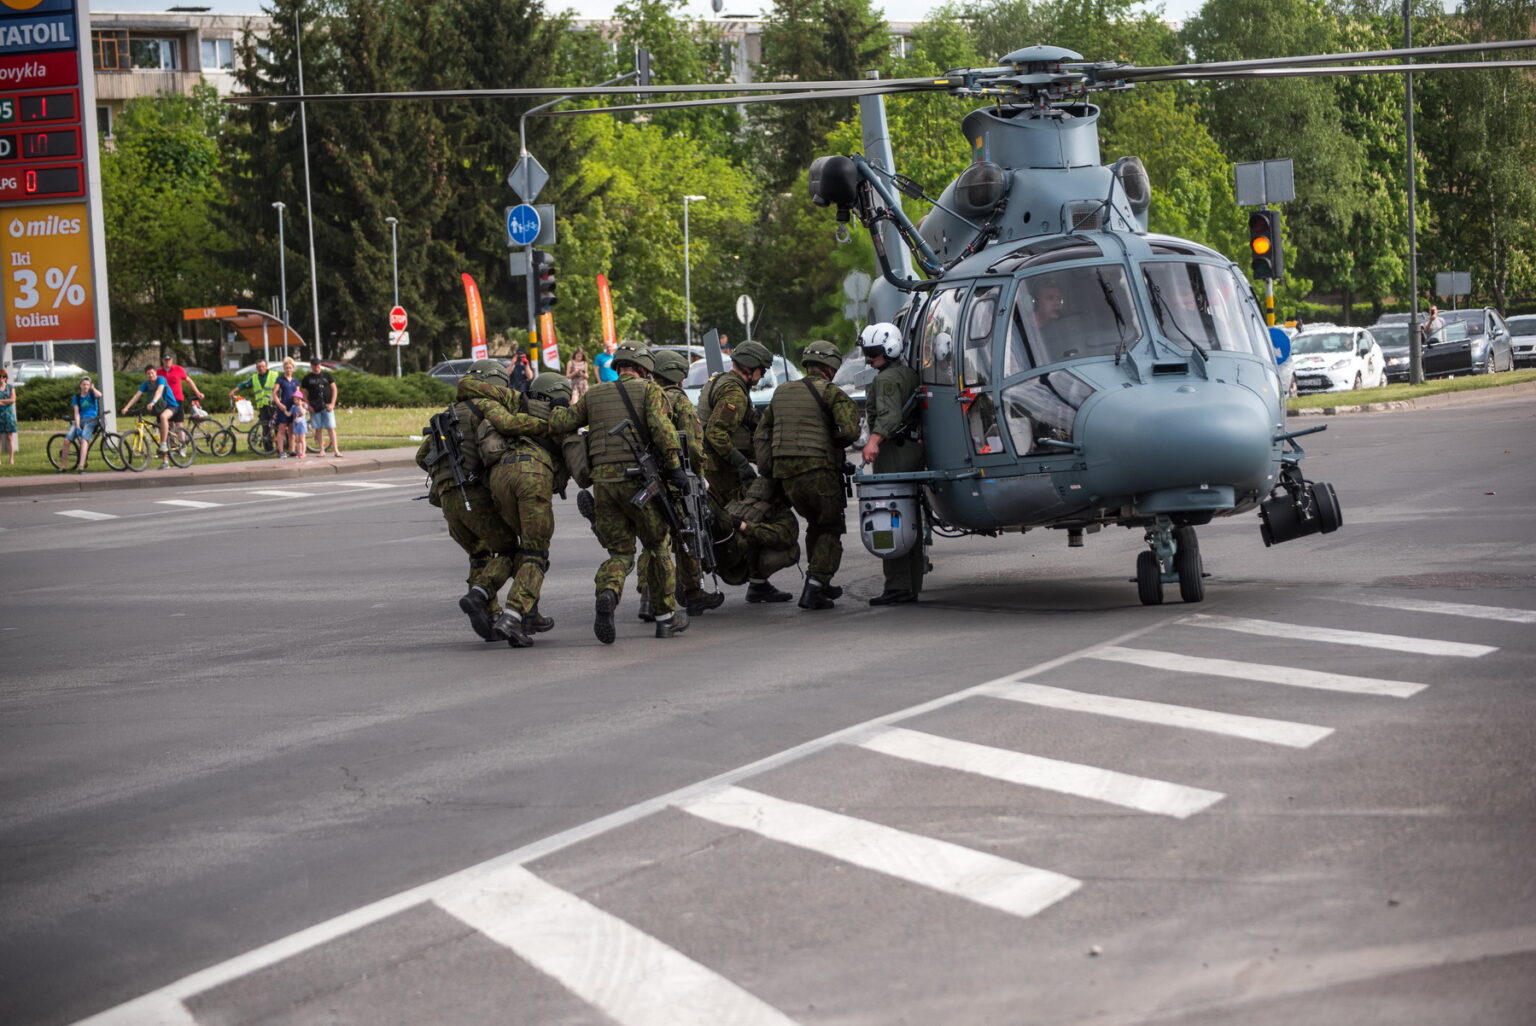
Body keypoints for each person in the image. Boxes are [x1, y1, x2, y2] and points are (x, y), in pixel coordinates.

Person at [547, 341, 690, 642]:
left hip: (604, 484)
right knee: (657, 547)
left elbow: (561, 423)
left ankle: (609, 594)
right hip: (643, 483)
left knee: (620, 552)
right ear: (645, 368)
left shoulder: (594, 394)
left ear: (618, 366)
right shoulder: (651, 391)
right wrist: (676, 469)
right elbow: (661, 429)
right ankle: (666, 617)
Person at [414, 360, 540, 642]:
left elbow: (422, 457)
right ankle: (480, 593)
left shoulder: (447, 414)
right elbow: (508, 426)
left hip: (449, 500)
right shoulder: (484, 408)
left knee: (480, 554)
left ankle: (489, 614)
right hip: (475, 495)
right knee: (509, 550)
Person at [471, 371, 577, 648]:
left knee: (516, 551)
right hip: (532, 476)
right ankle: (513, 615)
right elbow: (574, 462)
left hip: (499, 476)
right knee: (535, 552)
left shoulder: (514, 404)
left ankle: (482, 592)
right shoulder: (559, 418)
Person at [754, 340, 862, 609]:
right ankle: (815, 587)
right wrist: (831, 442)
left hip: (786, 476)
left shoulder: (781, 392)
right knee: (830, 525)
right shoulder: (831, 392)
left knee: (815, 524)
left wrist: (768, 467)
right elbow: (850, 431)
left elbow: (762, 432)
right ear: (831, 367)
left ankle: (820, 580)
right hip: (819, 471)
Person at [641, 348, 723, 619]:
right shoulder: (679, 400)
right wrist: (700, 475)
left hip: (649, 477)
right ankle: (693, 592)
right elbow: (693, 443)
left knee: (656, 540)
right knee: (689, 530)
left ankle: (648, 594)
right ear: (678, 376)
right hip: (679, 478)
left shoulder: (646, 396)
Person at [860, 322, 925, 605]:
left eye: (874, 352)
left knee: (890, 515)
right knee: (909, 517)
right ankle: (911, 583)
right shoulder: (908, 374)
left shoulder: (885, 380)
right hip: (911, 450)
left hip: (893, 455)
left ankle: (898, 586)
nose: (869, 358)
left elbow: (888, 418)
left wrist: (873, 442)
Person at [697, 339, 773, 507]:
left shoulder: (720, 380)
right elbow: (716, 433)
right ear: (749, 368)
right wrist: (742, 464)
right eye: (762, 370)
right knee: (741, 514)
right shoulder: (734, 393)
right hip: (719, 468)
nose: (762, 376)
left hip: (709, 463)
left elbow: (748, 418)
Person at [120, 364, 180, 469]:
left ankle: (164, 444)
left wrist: (152, 402)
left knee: (163, 417)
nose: (150, 375)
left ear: (155, 373)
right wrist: (126, 407)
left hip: (171, 406)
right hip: (159, 408)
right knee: (161, 433)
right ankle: (165, 462)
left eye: (152, 373)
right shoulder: (146, 384)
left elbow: (159, 391)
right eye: (148, 373)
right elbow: (137, 395)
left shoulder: (161, 379)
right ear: (146, 375)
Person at [230, 359, 281, 450]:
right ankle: (268, 449)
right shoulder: (254, 378)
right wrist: (234, 390)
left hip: (274, 405)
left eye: (262, 366)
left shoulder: (274, 375)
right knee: (265, 428)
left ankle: (280, 448)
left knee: (277, 427)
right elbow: (244, 384)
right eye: (258, 367)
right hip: (262, 406)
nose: (261, 368)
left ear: (266, 366)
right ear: (256, 368)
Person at [60, 377, 105, 473]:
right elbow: (76, 413)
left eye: (88, 384)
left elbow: (100, 395)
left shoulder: (92, 394)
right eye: (84, 384)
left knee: (84, 440)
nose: (86, 386)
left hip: (92, 420)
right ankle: (63, 466)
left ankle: (81, 466)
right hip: (80, 420)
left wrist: (93, 388)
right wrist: (77, 425)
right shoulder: (76, 397)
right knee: (66, 440)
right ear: (80, 385)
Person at [301, 359, 341, 457]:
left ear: (320, 365)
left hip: (327, 405)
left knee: (330, 427)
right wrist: (308, 405)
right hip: (315, 406)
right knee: (318, 429)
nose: (316, 367)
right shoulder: (307, 378)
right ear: (311, 366)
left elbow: (334, 389)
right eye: (314, 365)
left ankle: (336, 450)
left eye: (318, 365)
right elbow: (303, 392)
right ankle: (321, 450)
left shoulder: (327, 376)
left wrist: (332, 403)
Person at [157, 353, 205, 435]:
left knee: (178, 423)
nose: (167, 362)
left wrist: (197, 392)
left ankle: (182, 443)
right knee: (167, 423)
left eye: (169, 360)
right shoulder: (158, 372)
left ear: (172, 360)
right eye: (165, 360)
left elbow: (189, 381)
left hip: (177, 399)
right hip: (164, 400)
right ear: (162, 361)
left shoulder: (178, 369)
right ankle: (172, 445)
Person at [271, 357, 303, 458]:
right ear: (284, 369)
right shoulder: (280, 379)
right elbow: (274, 393)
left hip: (293, 407)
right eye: (286, 368)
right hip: (283, 407)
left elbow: (298, 395)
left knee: (292, 430)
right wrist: (279, 404)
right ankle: (281, 451)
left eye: (290, 368)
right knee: (281, 429)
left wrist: (300, 406)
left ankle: (292, 450)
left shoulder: (296, 381)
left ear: (293, 368)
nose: (288, 370)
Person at [0, 367, 15, 465]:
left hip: (9, 415)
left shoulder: (10, 387)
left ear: (5, 377)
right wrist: (7, 401)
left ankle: (11, 459)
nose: (1, 378)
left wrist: (1, 401)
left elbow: (13, 399)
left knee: (9, 438)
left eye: (2, 376)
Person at [290, 392, 310, 457]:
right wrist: (284, 410)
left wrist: (300, 405)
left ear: (301, 400)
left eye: (297, 399)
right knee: (298, 440)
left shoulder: (304, 406)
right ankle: (299, 452)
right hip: (296, 425)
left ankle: (304, 453)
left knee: (302, 439)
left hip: (302, 425)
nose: (295, 401)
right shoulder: (293, 407)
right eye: (294, 399)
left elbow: (303, 412)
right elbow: (289, 414)